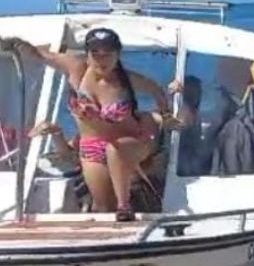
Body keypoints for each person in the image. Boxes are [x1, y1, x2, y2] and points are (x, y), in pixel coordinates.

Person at [5, 29, 179, 221]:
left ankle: (125, 205)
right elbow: (38, 55)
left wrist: (166, 114)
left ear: (118, 54)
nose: (101, 59)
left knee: (116, 153)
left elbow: (156, 90)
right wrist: (13, 44)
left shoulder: (127, 80)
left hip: (131, 142)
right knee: (104, 208)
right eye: (95, 53)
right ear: (87, 54)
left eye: (108, 53)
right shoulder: (76, 69)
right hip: (92, 148)